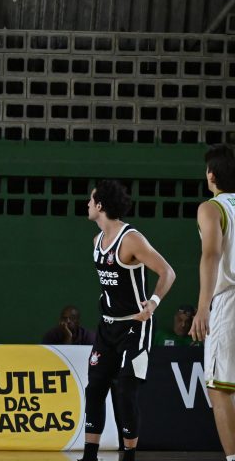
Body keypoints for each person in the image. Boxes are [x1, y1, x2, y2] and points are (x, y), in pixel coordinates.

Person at [81, 180, 175, 461]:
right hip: (107, 326)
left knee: (125, 392)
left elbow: (167, 272)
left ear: (100, 205)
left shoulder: (131, 239)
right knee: (94, 389)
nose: (87, 204)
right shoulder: (96, 241)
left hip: (135, 326)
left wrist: (153, 303)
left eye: (90, 200)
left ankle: (129, 456)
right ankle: (89, 456)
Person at [190, 144, 235, 461]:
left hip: (228, 301)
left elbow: (211, 254)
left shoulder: (211, 208)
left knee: (219, 388)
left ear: (211, 175)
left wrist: (202, 306)